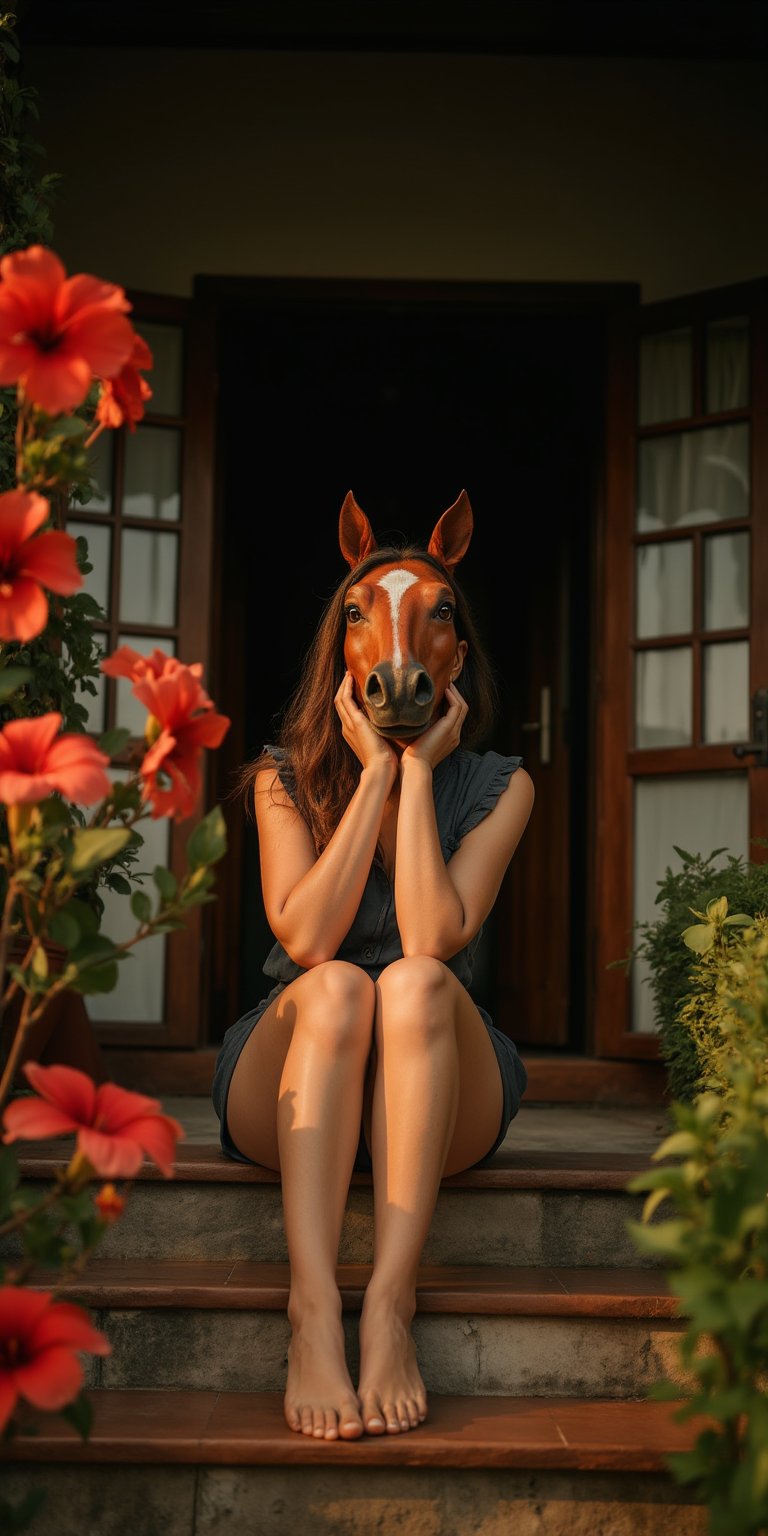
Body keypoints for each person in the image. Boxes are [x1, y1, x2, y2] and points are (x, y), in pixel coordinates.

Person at [211, 489, 535, 1443]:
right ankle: (313, 1308)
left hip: (442, 1082)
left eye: (433, 620)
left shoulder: (502, 787)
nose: (400, 647)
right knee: (342, 980)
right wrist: (374, 778)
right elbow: (307, 937)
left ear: (454, 660)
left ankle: (390, 1305)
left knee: (414, 978)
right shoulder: (281, 775)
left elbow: (435, 935)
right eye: (369, 622)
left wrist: (423, 772)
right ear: (346, 654)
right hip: (298, 1062)